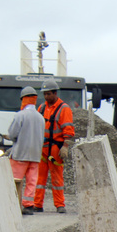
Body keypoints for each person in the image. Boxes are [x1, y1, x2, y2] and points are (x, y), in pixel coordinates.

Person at [35, 78, 74, 213]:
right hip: (43, 148)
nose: (46, 96)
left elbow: (68, 129)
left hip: (55, 149)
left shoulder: (64, 109)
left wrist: (65, 146)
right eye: (44, 94)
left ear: (55, 93)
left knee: (57, 178)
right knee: (39, 178)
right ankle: (37, 204)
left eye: (48, 94)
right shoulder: (42, 108)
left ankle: (59, 205)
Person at [7, 86, 45, 216]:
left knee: (15, 180)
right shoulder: (40, 118)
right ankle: (28, 206)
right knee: (31, 182)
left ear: (23, 99)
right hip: (35, 155)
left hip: (20, 154)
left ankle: (12, 204)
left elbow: (12, 134)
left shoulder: (20, 115)